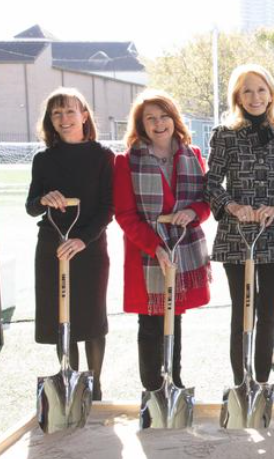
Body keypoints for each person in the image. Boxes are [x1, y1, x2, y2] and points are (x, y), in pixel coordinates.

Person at [113, 89, 211, 391]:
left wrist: (192, 213)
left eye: (164, 116)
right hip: (146, 254)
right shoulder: (126, 162)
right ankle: (154, 387)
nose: (158, 123)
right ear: (141, 125)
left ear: (174, 119)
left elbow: (206, 202)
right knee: (151, 323)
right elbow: (125, 215)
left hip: (182, 250)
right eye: (150, 119)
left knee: (174, 320)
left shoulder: (193, 156)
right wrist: (154, 246)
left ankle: (174, 381)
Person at [204, 64, 274, 386]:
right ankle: (241, 383)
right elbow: (212, 183)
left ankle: (261, 382)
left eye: (261, 90)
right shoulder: (224, 135)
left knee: (268, 314)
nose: (255, 97)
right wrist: (232, 206)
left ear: (271, 94)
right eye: (247, 91)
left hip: (273, 234)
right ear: (237, 97)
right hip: (236, 235)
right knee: (243, 312)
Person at [26, 88, 113, 401]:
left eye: (70, 111)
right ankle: (73, 385)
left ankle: (95, 385)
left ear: (84, 115)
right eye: (56, 113)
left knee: (91, 317)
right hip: (52, 245)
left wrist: (82, 239)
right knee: (62, 318)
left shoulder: (104, 156)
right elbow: (31, 206)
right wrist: (44, 199)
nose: (63, 119)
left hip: (88, 247)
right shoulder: (43, 159)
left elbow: (107, 207)